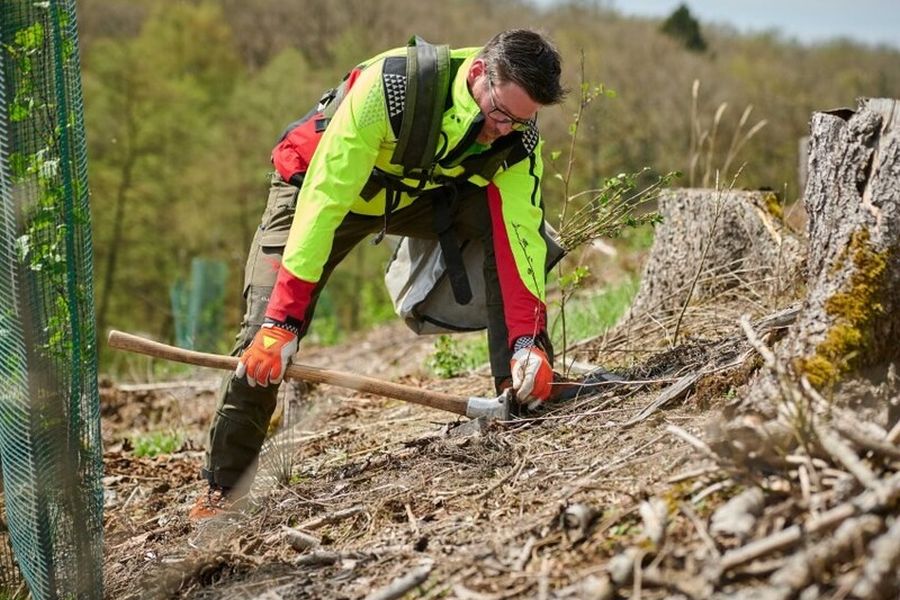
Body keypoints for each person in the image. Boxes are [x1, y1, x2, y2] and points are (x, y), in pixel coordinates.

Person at [190, 29, 567, 519]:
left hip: (409, 197)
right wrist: (283, 321)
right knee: (263, 336)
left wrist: (528, 340)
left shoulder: (517, 137)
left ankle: (516, 391)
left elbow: (520, 235)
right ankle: (223, 489)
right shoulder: (392, 88)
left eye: (521, 121)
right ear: (478, 74)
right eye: (499, 115)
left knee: (530, 236)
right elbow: (324, 202)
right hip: (314, 189)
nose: (504, 130)